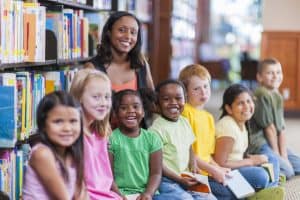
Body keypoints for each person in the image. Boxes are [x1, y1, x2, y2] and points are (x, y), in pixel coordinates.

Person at [149, 79, 217, 200]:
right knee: (186, 199)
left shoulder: (184, 121)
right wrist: (179, 180)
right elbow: (157, 164)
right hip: (166, 180)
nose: (173, 103)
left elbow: (189, 145)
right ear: (157, 103)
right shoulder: (156, 130)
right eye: (166, 99)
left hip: (184, 175)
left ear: (185, 99)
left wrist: (193, 164)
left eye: (178, 98)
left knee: (209, 198)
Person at [214, 84, 284, 199]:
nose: (247, 106)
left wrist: (255, 160)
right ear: (229, 109)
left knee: (272, 159)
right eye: (240, 103)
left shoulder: (242, 123)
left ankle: (267, 189)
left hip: (238, 166)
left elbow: (238, 153)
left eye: (248, 101)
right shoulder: (228, 127)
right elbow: (220, 163)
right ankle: (266, 189)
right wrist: (251, 162)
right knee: (260, 176)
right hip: (226, 172)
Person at [179, 64, 235, 200]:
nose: (203, 92)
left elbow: (207, 155)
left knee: (246, 178)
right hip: (193, 175)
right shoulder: (185, 113)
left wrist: (218, 168)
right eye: (196, 88)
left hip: (208, 172)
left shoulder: (209, 117)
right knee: (229, 191)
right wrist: (214, 170)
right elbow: (189, 155)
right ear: (185, 92)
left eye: (206, 86)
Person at [23, 91, 87, 200]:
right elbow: (64, 198)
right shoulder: (42, 154)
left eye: (73, 121)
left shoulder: (72, 154)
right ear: (43, 125)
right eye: (58, 122)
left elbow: (81, 195)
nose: (67, 128)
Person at [70, 68, 122, 200]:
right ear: (79, 97)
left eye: (107, 97)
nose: (103, 103)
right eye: (96, 97)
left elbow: (106, 181)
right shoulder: (73, 136)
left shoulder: (99, 133)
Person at [249, 58, 300, 179]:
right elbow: (270, 128)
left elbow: (280, 129)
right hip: (259, 143)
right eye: (270, 73)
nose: (275, 76)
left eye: (278, 72)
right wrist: (278, 155)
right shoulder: (261, 94)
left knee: (297, 164)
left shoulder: (277, 95)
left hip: (272, 141)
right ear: (260, 77)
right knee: (287, 171)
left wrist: (284, 156)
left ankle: (276, 163)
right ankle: (254, 168)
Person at [109, 89, 162, 199]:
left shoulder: (153, 139)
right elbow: (108, 176)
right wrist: (119, 195)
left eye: (135, 106)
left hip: (148, 193)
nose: (130, 111)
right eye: (123, 108)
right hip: (119, 193)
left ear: (143, 112)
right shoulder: (111, 139)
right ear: (115, 113)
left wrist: (148, 193)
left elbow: (156, 173)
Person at [85, 11, 154, 92]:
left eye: (133, 32)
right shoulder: (92, 68)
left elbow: (151, 101)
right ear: (109, 33)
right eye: (122, 30)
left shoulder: (141, 64)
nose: (128, 36)